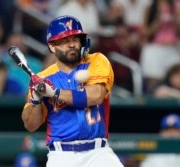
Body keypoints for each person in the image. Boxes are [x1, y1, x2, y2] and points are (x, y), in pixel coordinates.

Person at [21, 15, 124, 167]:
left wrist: (54, 93)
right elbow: (30, 125)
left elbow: (96, 96)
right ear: (52, 46)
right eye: (64, 40)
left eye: (75, 39)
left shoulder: (96, 61)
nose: (71, 44)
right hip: (62, 155)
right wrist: (36, 99)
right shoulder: (43, 78)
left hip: (98, 153)